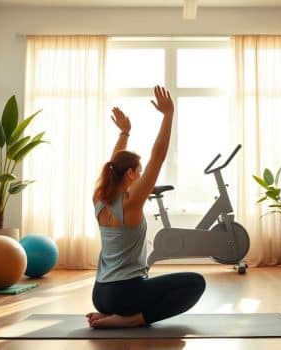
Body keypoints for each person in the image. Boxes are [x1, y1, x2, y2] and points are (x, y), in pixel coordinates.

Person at [87, 86, 206, 329]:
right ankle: (131, 319)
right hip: (123, 295)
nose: (142, 177)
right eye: (139, 173)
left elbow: (114, 164)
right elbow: (157, 157)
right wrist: (168, 116)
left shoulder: (99, 198)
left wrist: (124, 133)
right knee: (196, 283)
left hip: (100, 294)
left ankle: (113, 314)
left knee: (152, 287)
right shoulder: (130, 202)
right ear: (130, 174)